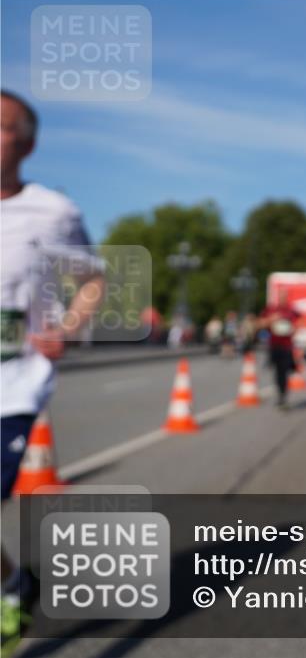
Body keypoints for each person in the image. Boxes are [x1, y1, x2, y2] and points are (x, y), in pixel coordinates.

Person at [1, 90, 106, 653]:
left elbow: (92, 278)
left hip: (12, 385)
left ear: (27, 143)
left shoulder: (52, 212)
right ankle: (13, 581)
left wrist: (66, 327)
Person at [258, 288, 300, 410]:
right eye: (281, 296)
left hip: (287, 345)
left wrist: (295, 329)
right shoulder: (271, 310)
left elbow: (300, 321)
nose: (282, 298)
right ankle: (280, 394)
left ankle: (283, 394)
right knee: (277, 371)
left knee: (285, 370)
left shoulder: (291, 310)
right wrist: (271, 320)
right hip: (274, 344)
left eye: (284, 296)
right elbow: (260, 323)